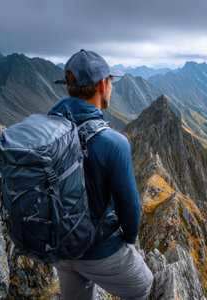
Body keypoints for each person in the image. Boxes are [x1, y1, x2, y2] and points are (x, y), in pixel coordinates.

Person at [50, 49, 153, 300]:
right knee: (145, 285)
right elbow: (130, 211)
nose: (112, 87)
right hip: (97, 252)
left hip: (56, 249)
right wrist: (128, 241)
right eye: (111, 81)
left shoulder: (47, 131)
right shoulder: (113, 142)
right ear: (100, 85)